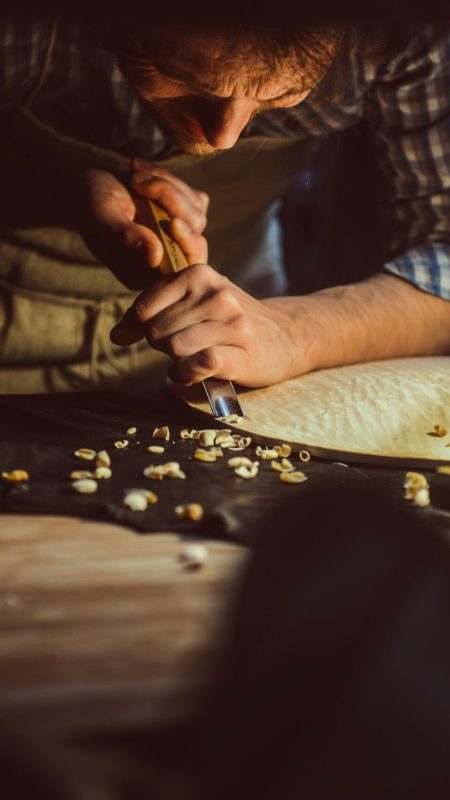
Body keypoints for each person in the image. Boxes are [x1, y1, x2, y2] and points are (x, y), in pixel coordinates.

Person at [0, 7, 449, 393]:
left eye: (283, 94)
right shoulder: (25, 23)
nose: (224, 136)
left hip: (248, 350)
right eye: (181, 77)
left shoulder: (412, 31)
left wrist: (296, 333)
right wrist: (55, 194)